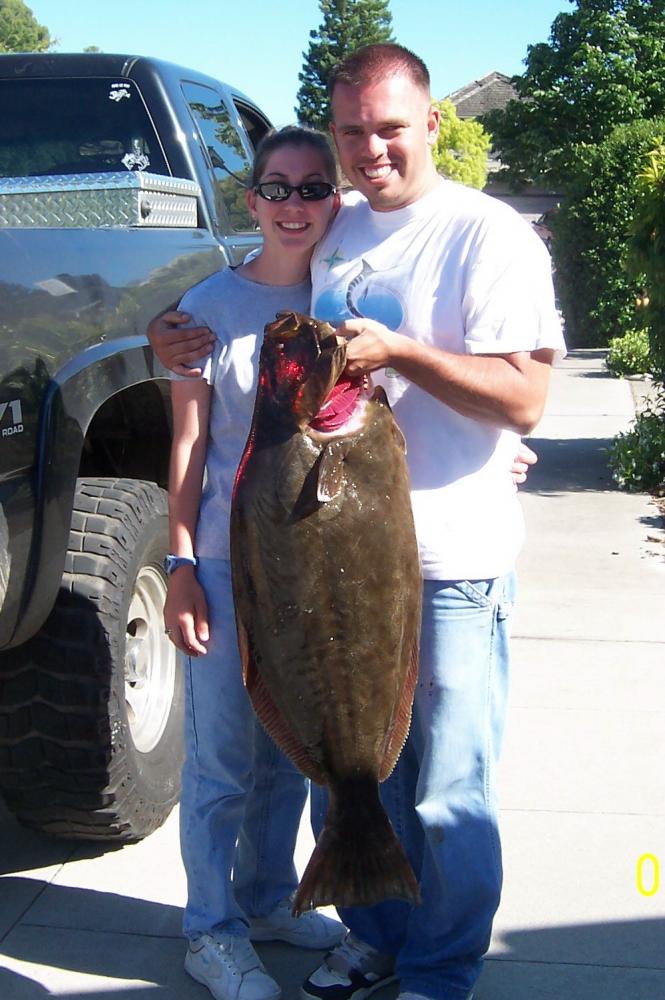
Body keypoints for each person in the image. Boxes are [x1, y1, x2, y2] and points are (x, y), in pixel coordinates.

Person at [150, 43, 564, 1000]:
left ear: (429, 122)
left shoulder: (484, 233)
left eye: (387, 128)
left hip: (450, 562)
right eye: (351, 133)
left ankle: (441, 968)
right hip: (327, 561)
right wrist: (160, 334)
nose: (369, 149)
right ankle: (374, 933)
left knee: (448, 792)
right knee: (356, 773)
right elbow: (240, 321)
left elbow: (526, 398)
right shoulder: (339, 237)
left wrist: (410, 358)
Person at [163, 125, 345, 1000]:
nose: (294, 205)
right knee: (222, 758)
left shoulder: (350, 302)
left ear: (334, 199)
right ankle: (211, 929)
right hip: (229, 566)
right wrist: (180, 564)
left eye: (312, 188)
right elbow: (191, 446)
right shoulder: (204, 310)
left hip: (312, 571)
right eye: (277, 188)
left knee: (287, 751)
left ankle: (268, 899)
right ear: (252, 201)